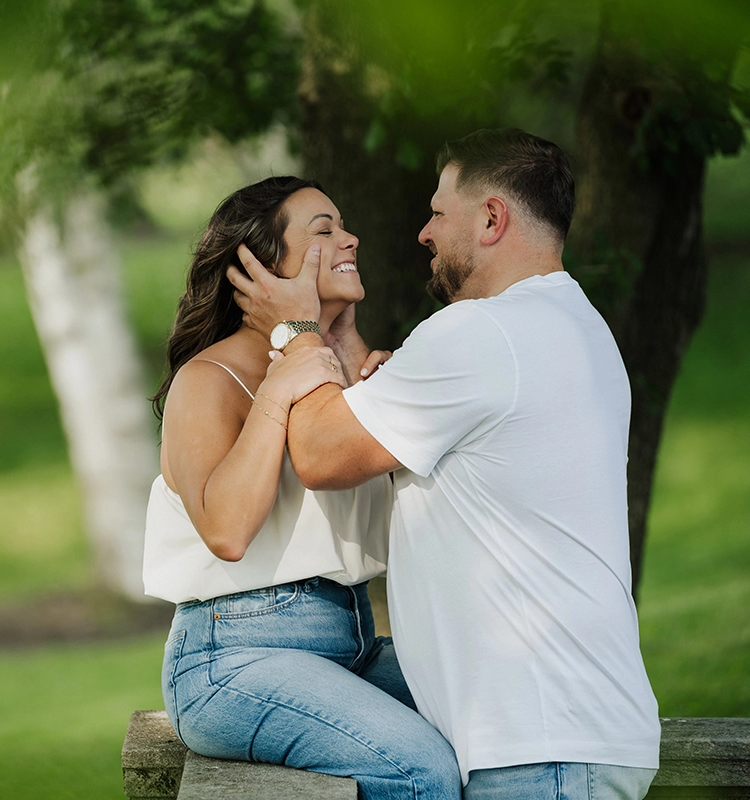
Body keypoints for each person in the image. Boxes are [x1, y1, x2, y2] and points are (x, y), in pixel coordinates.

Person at [228, 129, 662, 800]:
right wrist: (340, 340)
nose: (423, 233)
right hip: (571, 736)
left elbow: (318, 452)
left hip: (538, 753)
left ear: (491, 219)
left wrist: (295, 331)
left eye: (437, 213)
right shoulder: (574, 324)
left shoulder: (480, 334)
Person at [144, 176, 461, 800]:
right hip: (232, 659)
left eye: (342, 226)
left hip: (353, 642)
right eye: (324, 232)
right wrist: (279, 384)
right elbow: (226, 531)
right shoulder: (209, 380)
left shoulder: (341, 380)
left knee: (495, 716)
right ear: (263, 268)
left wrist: (357, 368)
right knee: (420, 771)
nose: (351, 239)